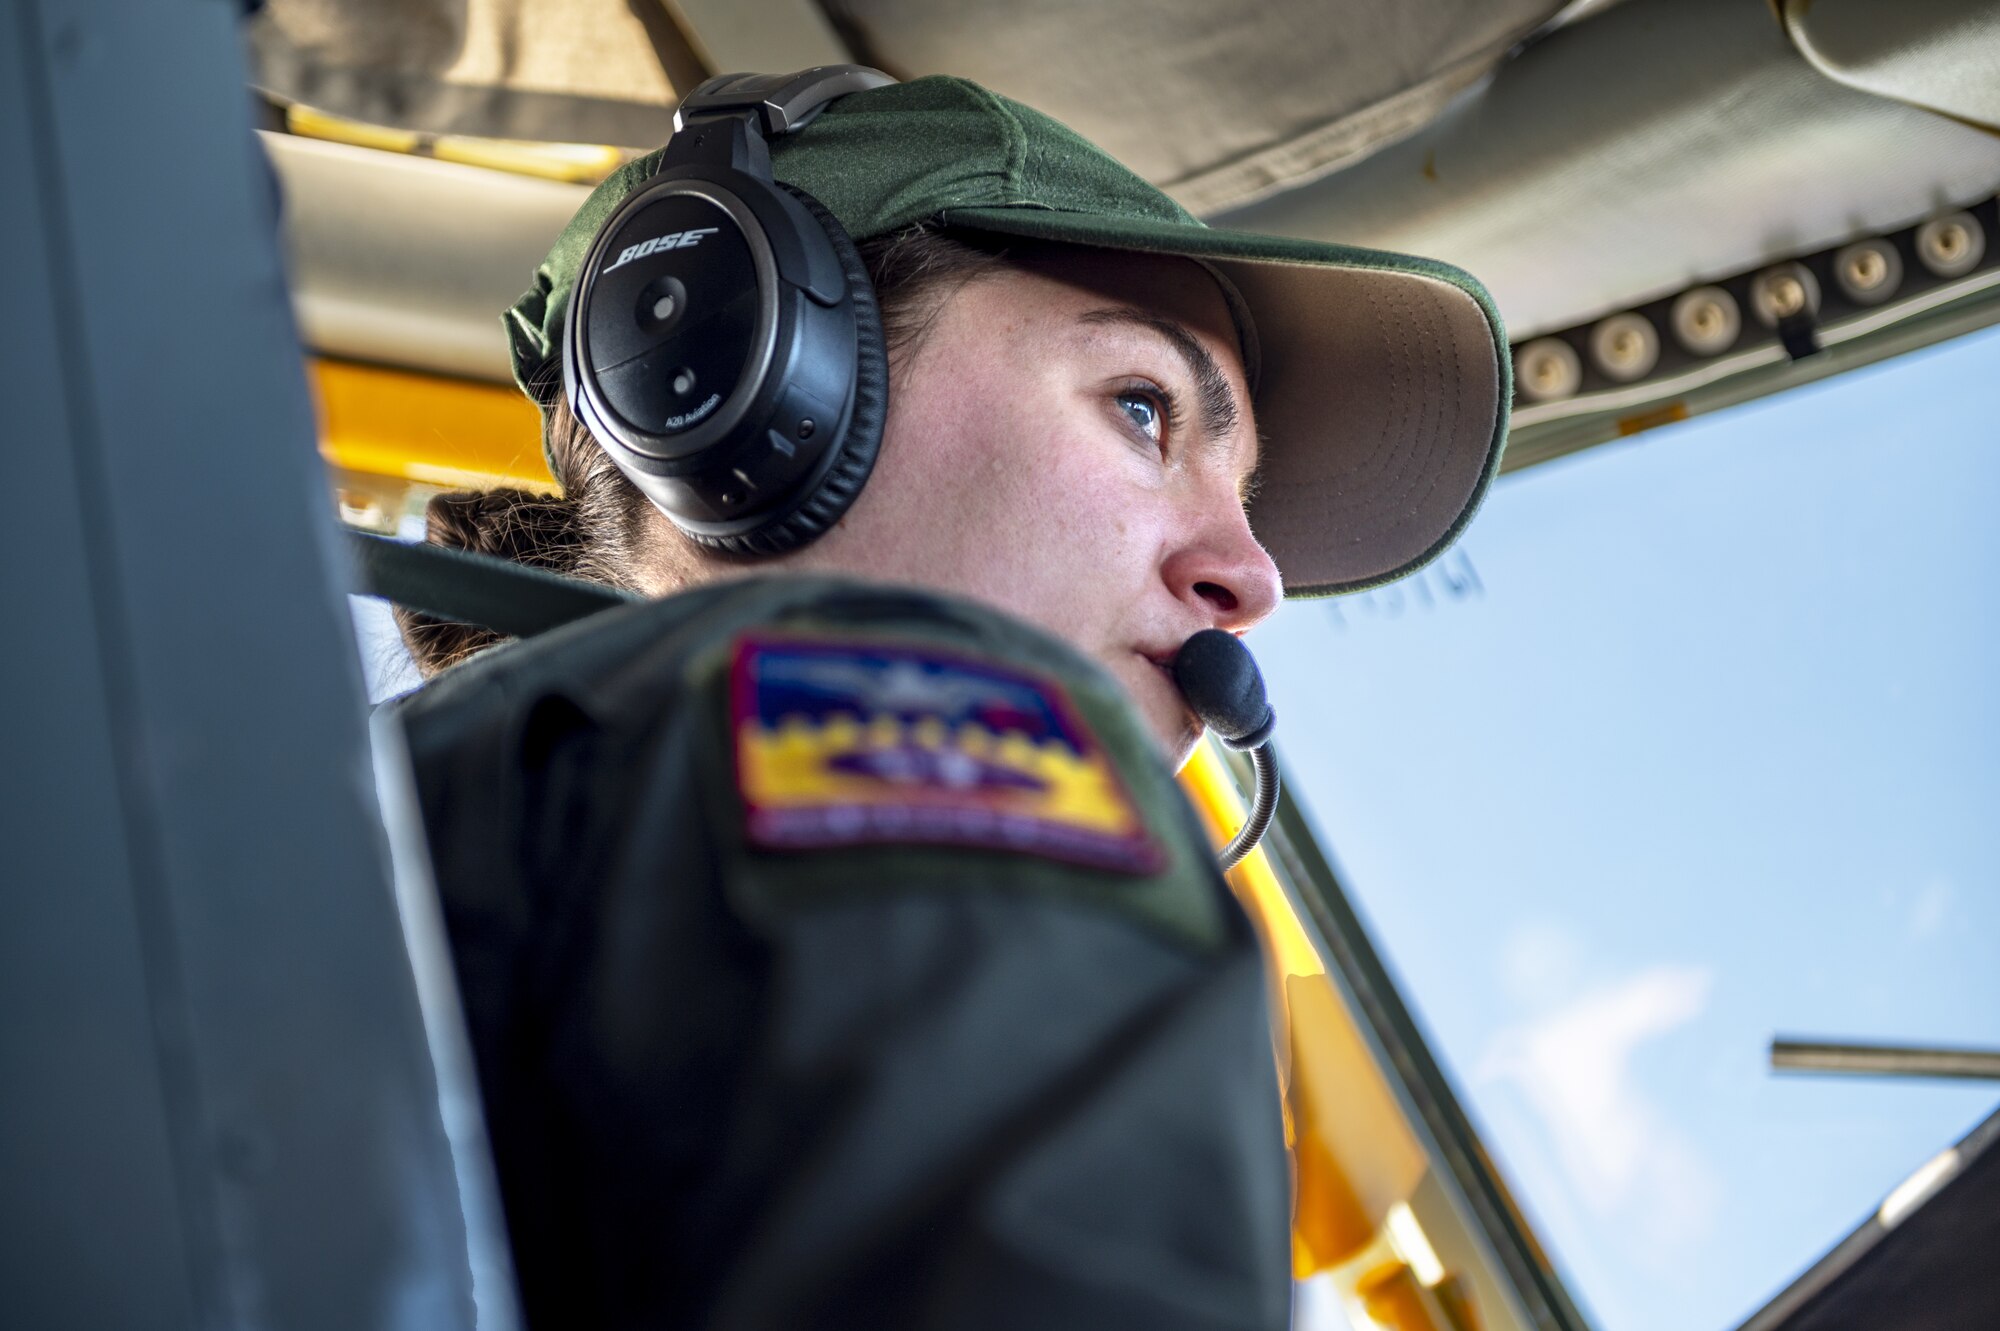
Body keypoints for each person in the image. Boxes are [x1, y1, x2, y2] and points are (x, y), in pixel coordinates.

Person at [390, 71, 1508, 1330]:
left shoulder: (380, 816)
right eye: (1141, 408)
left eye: (1242, 495)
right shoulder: (940, 766)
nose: (1250, 579)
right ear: (744, 363)